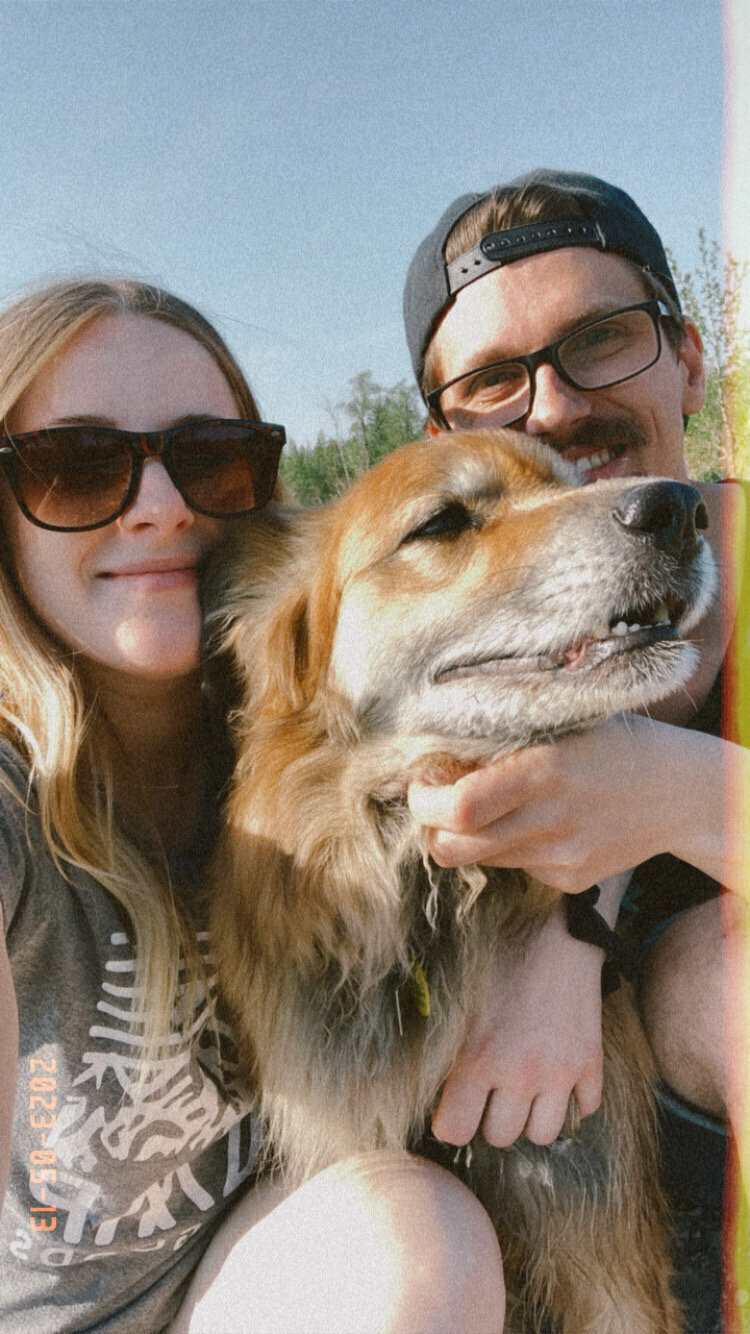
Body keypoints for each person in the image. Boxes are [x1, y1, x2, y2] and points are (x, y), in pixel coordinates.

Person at [0, 278, 505, 1334]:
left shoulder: (307, 731)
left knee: (424, 1242)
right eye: (77, 466)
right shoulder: (17, 797)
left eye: (209, 456)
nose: (159, 504)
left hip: (242, 1271)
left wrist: (570, 932)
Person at [402, 168, 746, 1324]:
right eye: (494, 380)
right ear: (442, 432)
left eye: (600, 339)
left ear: (686, 356)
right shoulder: (433, 639)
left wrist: (680, 796)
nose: (550, 409)